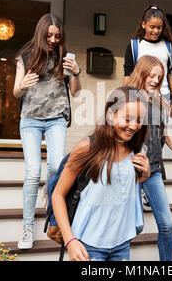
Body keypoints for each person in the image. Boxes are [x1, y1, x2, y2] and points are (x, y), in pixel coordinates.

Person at [52, 86, 151, 261]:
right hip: (88, 246)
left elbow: (120, 191)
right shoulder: (87, 147)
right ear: (110, 115)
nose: (134, 126)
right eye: (127, 119)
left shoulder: (135, 149)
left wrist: (143, 177)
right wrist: (70, 241)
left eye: (139, 120)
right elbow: (58, 195)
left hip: (122, 244)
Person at [13, 13, 82, 250]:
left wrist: (76, 72)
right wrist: (22, 85)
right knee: (33, 173)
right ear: (41, 33)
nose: (53, 40)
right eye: (49, 35)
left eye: (57, 36)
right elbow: (15, 92)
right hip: (31, 120)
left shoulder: (64, 58)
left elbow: (76, 92)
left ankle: (52, 206)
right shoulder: (25, 56)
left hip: (56, 119)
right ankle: (27, 227)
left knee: (55, 168)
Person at [127, 55, 172, 261]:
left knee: (167, 224)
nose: (155, 80)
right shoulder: (128, 98)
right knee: (133, 225)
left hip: (153, 168)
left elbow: (163, 133)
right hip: (130, 169)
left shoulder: (160, 102)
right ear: (141, 73)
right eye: (151, 75)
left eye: (159, 77)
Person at [123, 4, 172, 119]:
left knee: (162, 134)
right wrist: (126, 100)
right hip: (139, 99)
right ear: (144, 24)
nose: (155, 31)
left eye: (159, 27)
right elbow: (128, 75)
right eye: (152, 27)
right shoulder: (135, 46)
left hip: (163, 99)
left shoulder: (168, 47)